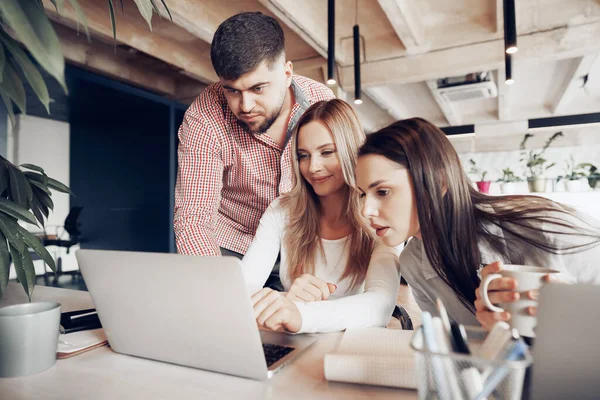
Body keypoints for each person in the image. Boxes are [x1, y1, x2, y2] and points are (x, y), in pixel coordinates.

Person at [355, 117, 600, 329]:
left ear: (438, 183)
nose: (366, 210)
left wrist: (572, 313)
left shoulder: (546, 226)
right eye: (363, 193)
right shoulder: (412, 264)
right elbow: (454, 346)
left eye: (383, 192)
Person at [174, 12, 334, 260]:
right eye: (232, 91)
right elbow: (194, 217)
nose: (245, 106)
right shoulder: (204, 118)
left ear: (286, 73)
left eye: (257, 88)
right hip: (234, 245)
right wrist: (216, 285)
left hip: (306, 245)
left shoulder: (321, 103)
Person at [247, 99, 400, 334]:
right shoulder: (282, 210)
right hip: (295, 344)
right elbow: (243, 288)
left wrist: (300, 313)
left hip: (350, 349)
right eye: (304, 155)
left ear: (352, 153)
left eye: (326, 152)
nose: (313, 167)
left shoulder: (378, 216)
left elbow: (380, 307)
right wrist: (287, 300)